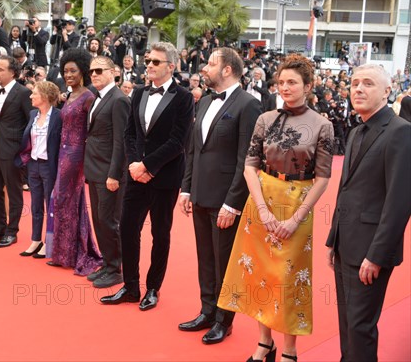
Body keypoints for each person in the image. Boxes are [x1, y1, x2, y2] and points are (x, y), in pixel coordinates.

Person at [217, 54, 335, 362]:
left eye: (292, 82)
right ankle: (264, 343)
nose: (285, 87)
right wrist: (262, 209)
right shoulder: (265, 119)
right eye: (281, 82)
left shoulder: (323, 125)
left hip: (298, 203)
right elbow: (249, 166)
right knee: (261, 276)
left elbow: (323, 178)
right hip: (261, 200)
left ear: (308, 86)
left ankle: (290, 351)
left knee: (289, 279)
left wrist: (296, 219)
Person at [326, 64, 410, 362]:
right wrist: (333, 238)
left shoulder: (401, 133)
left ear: (388, 91)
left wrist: (376, 254)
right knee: (347, 324)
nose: (358, 89)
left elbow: (399, 202)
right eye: (354, 83)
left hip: (370, 250)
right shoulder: (356, 130)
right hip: (345, 243)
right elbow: (346, 189)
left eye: (368, 84)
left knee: (360, 327)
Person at [100, 42, 194, 310]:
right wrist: (134, 164)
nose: (149, 65)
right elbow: (130, 133)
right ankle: (130, 287)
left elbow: (178, 141)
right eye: (148, 60)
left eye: (155, 62)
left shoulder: (184, 97)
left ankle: (153, 288)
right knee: (128, 229)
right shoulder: (139, 93)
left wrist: (148, 166)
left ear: (171, 67)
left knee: (160, 234)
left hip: (165, 177)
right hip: (135, 176)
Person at [178, 47, 262, 344]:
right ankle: (207, 310)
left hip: (226, 200)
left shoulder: (249, 105)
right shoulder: (203, 102)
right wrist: (187, 187)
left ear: (227, 69)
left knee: (225, 261)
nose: (205, 68)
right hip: (200, 193)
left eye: (211, 64)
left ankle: (224, 320)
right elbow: (194, 150)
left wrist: (233, 203)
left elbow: (247, 160)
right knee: (205, 258)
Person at [46, 48, 102, 275]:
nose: (68, 75)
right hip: (62, 151)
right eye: (65, 71)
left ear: (83, 72)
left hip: (76, 154)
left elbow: (92, 128)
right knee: (66, 201)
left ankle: (70, 253)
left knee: (63, 198)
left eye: (73, 71)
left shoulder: (89, 97)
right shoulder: (68, 96)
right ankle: (63, 253)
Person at [84, 56, 131, 288]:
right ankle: (107, 263)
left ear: (113, 72)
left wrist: (114, 174)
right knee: (99, 220)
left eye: (99, 70)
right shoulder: (98, 98)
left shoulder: (119, 100)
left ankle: (116, 269)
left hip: (108, 173)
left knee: (109, 221)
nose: (94, 74)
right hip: (94, 169)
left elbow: (121, 142)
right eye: (91, 71)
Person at [0, 56, 32, 248]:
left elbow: (30, 122)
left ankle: (12, 231)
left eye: (0, 69)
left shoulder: (24, 93)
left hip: (13, 151)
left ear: (13, 73)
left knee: (14, 192)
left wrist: (23, 150)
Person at [17, 81, 62, 258]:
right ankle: (36, 239)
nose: (30, 96)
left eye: (34, 93)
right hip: (33, 165)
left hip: (49, 166)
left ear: (44, 96)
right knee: (35, 205)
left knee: (49, 205)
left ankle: (48, 241)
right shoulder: (32, 114)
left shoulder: (59, 116)